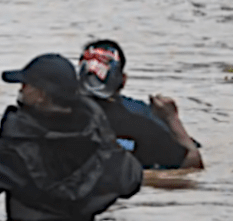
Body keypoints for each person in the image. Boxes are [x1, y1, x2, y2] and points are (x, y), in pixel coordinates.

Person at [0, 54, 143, 221]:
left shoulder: (12, 146)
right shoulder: (99, 140)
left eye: (26, 85)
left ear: (41, 96)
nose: (21, 89)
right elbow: (131, 182)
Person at [77, 40, 203, 169]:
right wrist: (172, 119)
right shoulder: (143, 117)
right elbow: (191, 163)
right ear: (123, 80)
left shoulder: (64, 113)